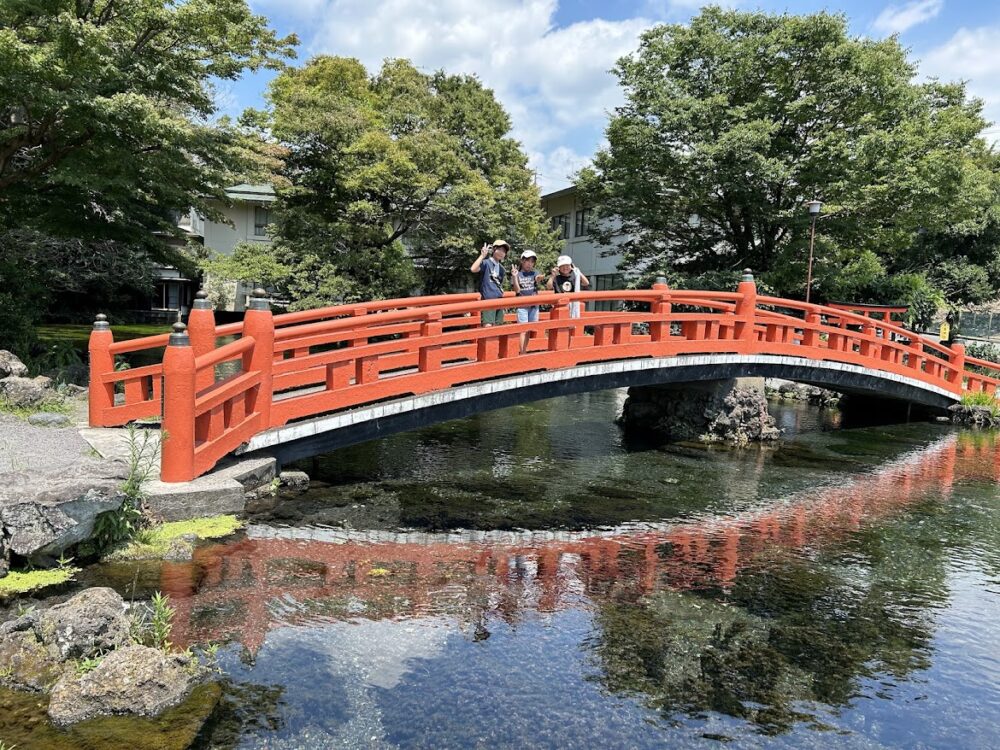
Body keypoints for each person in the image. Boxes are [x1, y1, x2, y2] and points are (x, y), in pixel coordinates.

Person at [470, 240, 509, 326]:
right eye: (500, 249)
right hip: (488, 299)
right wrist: (482, 256)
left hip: (499, 300)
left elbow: (499, 285)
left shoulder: (502, 269)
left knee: (498, 327)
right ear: (494, 249)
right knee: (488, 326)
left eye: (504, 251)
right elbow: (473, 269)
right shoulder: (486, 263)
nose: (502, 253)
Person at [512, 250, 542, 352]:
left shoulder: (535, 273)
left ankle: (525, 349)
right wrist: (515, 277)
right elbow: (517, 290)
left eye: (532, 261)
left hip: (534, 305)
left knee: (529, 329)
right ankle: (522, 352)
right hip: (522, 305)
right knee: (523, 329)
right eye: (527, 261)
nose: (530, 264)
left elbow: (538, 278)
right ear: (522, 261)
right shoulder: (518, 274)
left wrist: (540, 278)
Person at [547, 254, 590, 318]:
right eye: (562, 266)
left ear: (571, 265)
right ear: (558, 267)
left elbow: (586, 283)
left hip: (573, 304)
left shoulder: (575, 276)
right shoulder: (556, 278)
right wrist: (552, 276)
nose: (565, 268)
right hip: (560, 305)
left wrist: (578, 272)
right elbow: (549, 286)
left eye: (567, 265)